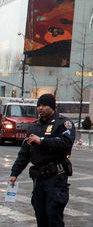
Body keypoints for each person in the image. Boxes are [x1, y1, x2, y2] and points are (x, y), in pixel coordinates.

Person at [9, 93, 75, 227]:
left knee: (53, 215)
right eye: (38, 105)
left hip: (55, 178)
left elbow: (65, 143)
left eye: (44, 105)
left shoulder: (63, 123)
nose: (40, 108)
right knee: (40, 214)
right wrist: (14, 174)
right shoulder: (35, 126)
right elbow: (24, 154)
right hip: (39, 179)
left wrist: (42, 141)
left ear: (52, 106)